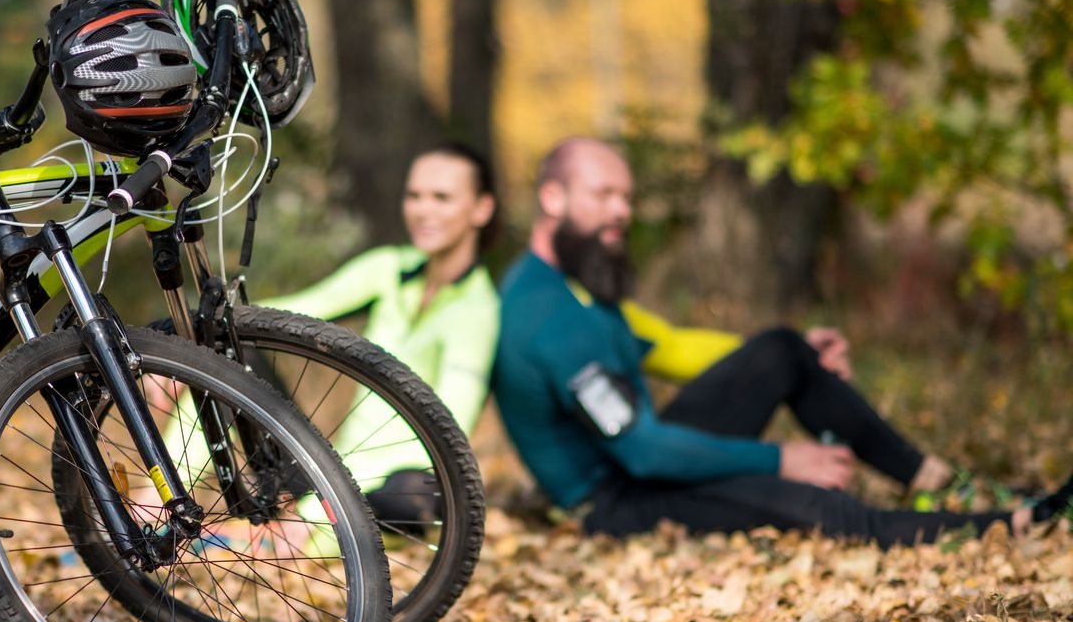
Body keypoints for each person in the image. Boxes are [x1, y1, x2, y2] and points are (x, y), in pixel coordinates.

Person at [492, 136, 1054, 548]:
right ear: (552, 198)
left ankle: (937, 483)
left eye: (627, 196)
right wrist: (780, 458)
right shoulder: (547, 314)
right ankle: (1011, 524)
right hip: (620, 499)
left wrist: (802, 356)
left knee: (780, 349)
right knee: (820, 505)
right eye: (604, 195)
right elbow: (642, 452)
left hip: (642, 459)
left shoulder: (574, 283)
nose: (623, 211)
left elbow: (669, 344)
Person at [260, 142, 500, 528]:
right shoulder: (388, 267)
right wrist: (186, 339)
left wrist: (312, 515)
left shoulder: (477, 311)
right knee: (228, 350)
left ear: (481, 209)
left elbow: (446, 437)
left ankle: (308, 529)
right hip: (328, 472)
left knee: (413, 494)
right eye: (415, 196)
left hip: (387, 487)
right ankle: (162, 506)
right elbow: (274, 314)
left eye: (442, 198)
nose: (424, 210)